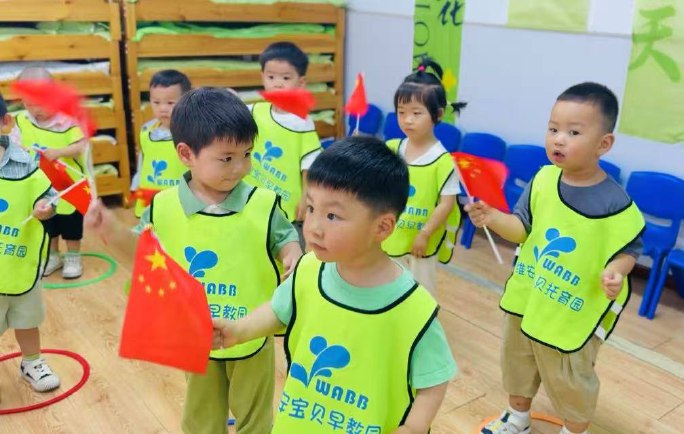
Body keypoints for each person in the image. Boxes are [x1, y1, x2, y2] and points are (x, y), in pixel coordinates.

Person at [85, 87, 303, 433]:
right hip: (195, 336)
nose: (241, 167)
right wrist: (111, 231)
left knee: (254, 418)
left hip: (250, 331)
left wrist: (292, 254)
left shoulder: (263, 202)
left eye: (247, 154)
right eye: (226, 158)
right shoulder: (164, 206)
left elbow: (285, 236)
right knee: (202, 415)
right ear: (186, 154)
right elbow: (142, 256)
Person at [213, 137, 457, 434]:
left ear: (382, 227)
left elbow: (434, 377)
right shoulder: (308, 270)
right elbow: (278, 310)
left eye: (332, 216)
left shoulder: (413, 306)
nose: (313, 227)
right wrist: (239, 330)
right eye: (311, 208)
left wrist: (414, 427)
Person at [470, 83, 645, 434]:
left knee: (570, 377)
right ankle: (517, 418)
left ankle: (574, 430)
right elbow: (521, 228)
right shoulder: (542, 180)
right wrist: (493, 218)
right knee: (518, 360)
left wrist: (616, 271)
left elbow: (628, 250)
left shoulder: (616, 203)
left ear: (604, 144)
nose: (558, 140)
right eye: (553, 129)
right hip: (532, 295)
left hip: (571, 307)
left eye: (573, 132)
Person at [381, 57, 463, 294]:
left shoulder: (443, 161)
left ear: (438, 114)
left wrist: (424, 233)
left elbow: (447, 204)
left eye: (416, 113)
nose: (407, 120)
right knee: (389, 286)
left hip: (422, 239)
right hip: (392, 234)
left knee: (421, 291)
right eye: (401, 112)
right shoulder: (392, 148)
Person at [0, 90, 62, 393]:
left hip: (20, 259)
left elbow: (51, 198)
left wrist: (45, 208)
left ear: (5, 123)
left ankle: (32, 362)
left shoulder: (26, 163)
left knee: (27, 317)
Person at [12, 66, 87, 279]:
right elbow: (15, 143)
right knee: (47, 222)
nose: (35, 110)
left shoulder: (67, 120)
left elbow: (81, 145)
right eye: (29, 104)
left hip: (68, 184)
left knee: (70, 222)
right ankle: (53, 255)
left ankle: (73, 256)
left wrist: (60, 152)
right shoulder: (22, 121)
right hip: (40, 184)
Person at [248, 41, 322, 241]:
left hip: (286, 205)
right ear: (262, 77)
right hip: (252, 198)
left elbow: (309, 165)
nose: (277, 83)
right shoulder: (254, 111)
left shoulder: (302, 122)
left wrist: (306, 197)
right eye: (271, 77)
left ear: (301, 82)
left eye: (286, 78)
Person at [131, 69, 191, 217]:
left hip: (179, 202)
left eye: (170, 103)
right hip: (149, 198)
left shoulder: (192, 132)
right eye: (156, 102)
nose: (163, 108)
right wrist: (135, 185)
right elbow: (142, 162)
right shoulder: (146, 131)